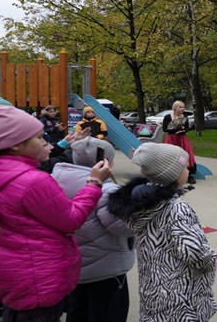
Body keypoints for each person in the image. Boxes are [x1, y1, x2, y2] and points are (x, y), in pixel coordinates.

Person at [0, 103, 111, 321]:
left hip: (15, 274)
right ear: (15, 145)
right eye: (39, 138)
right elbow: (71, 221)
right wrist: (93, 184)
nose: (47, 142)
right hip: (39, 279)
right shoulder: (32, 181)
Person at [107, 143, 216, 322]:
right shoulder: (177, 208)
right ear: (171, 173)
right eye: (184, 166)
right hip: (182, 294)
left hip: (154, 288)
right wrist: (214, 259)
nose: (188, 169)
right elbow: (195, 253)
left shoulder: (142, 205)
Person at [51, 137, 135, 322]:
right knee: (107, 313)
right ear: (105, 162)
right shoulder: (106, 190)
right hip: (106, 269)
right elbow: (124, 227)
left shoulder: (54, 180)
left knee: (77, 310)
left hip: (73, 265)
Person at [162, 100, 197, 184]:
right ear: (175, 108)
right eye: (180, 107)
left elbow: (187, 128)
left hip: (182, 138)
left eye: (183, 107)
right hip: (172, 138)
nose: (182, 109)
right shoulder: (168, 117)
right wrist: (175, 129)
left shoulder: (184, 116)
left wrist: (183, 131)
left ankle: (189, 175)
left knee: (187, 155)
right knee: (171, 156)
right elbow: (165, 128)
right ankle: (171, 176)